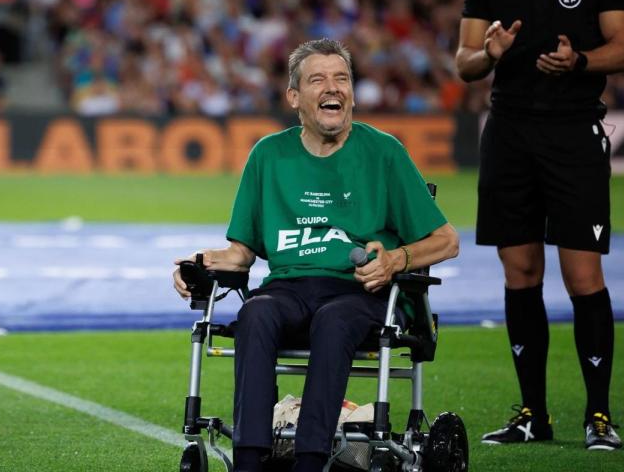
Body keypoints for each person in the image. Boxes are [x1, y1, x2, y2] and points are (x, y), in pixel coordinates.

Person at [172, 38, 459, 472]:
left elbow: (447, 239)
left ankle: (310, 460)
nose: (334, 88)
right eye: (318, 79)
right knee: (256, 314)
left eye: (342, 78)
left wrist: (396, 260)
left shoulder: (384, 153)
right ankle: (251, 459)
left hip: (359, 292)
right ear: (294, 97)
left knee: (334, 319)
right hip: (289, 289)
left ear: (353, 93)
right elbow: (241, 254)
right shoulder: (268, 155)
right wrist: (198, 263)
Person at [455, 0, 624, 452]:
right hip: (509, 133)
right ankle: (533, 413)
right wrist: (490, 53)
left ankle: (599, 415)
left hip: (573, 132)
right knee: (521, 275)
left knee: (583, 277)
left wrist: (579, 61)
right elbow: (463, 62)